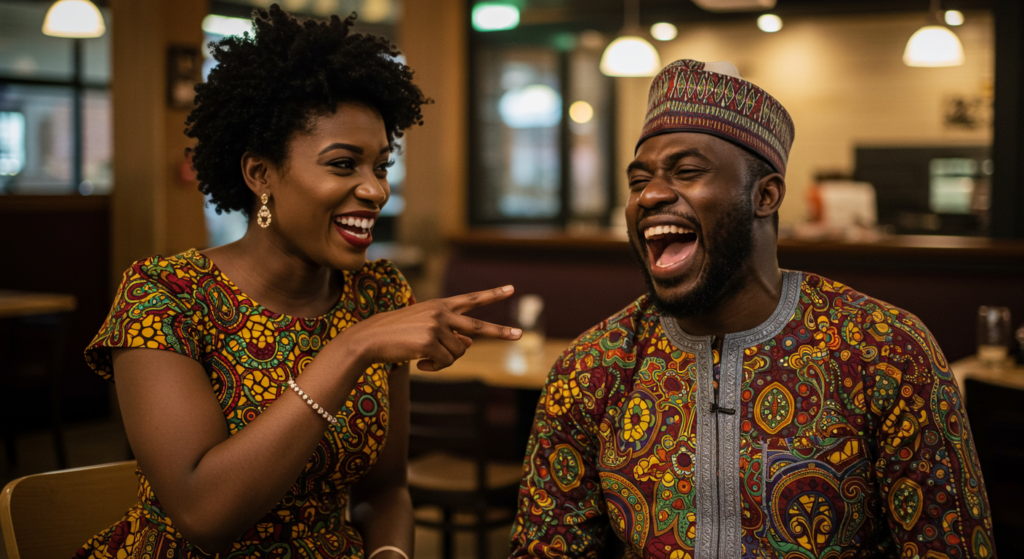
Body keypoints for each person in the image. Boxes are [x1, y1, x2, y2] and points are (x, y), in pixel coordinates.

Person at [76, 6, 521, 559]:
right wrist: (352, 347)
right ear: (261, 175)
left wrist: (390, 556)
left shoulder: (378, 294)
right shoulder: (166, 295)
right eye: (343, 165)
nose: (375, 191)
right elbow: (203, 515)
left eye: (380, 166)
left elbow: (385, 490)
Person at [510, 59, 996, 558]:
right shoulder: (594, 364)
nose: (651, 194)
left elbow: (949, 545)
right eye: (639, 181)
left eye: (688, 171)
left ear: (765, 195)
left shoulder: (885, 350)